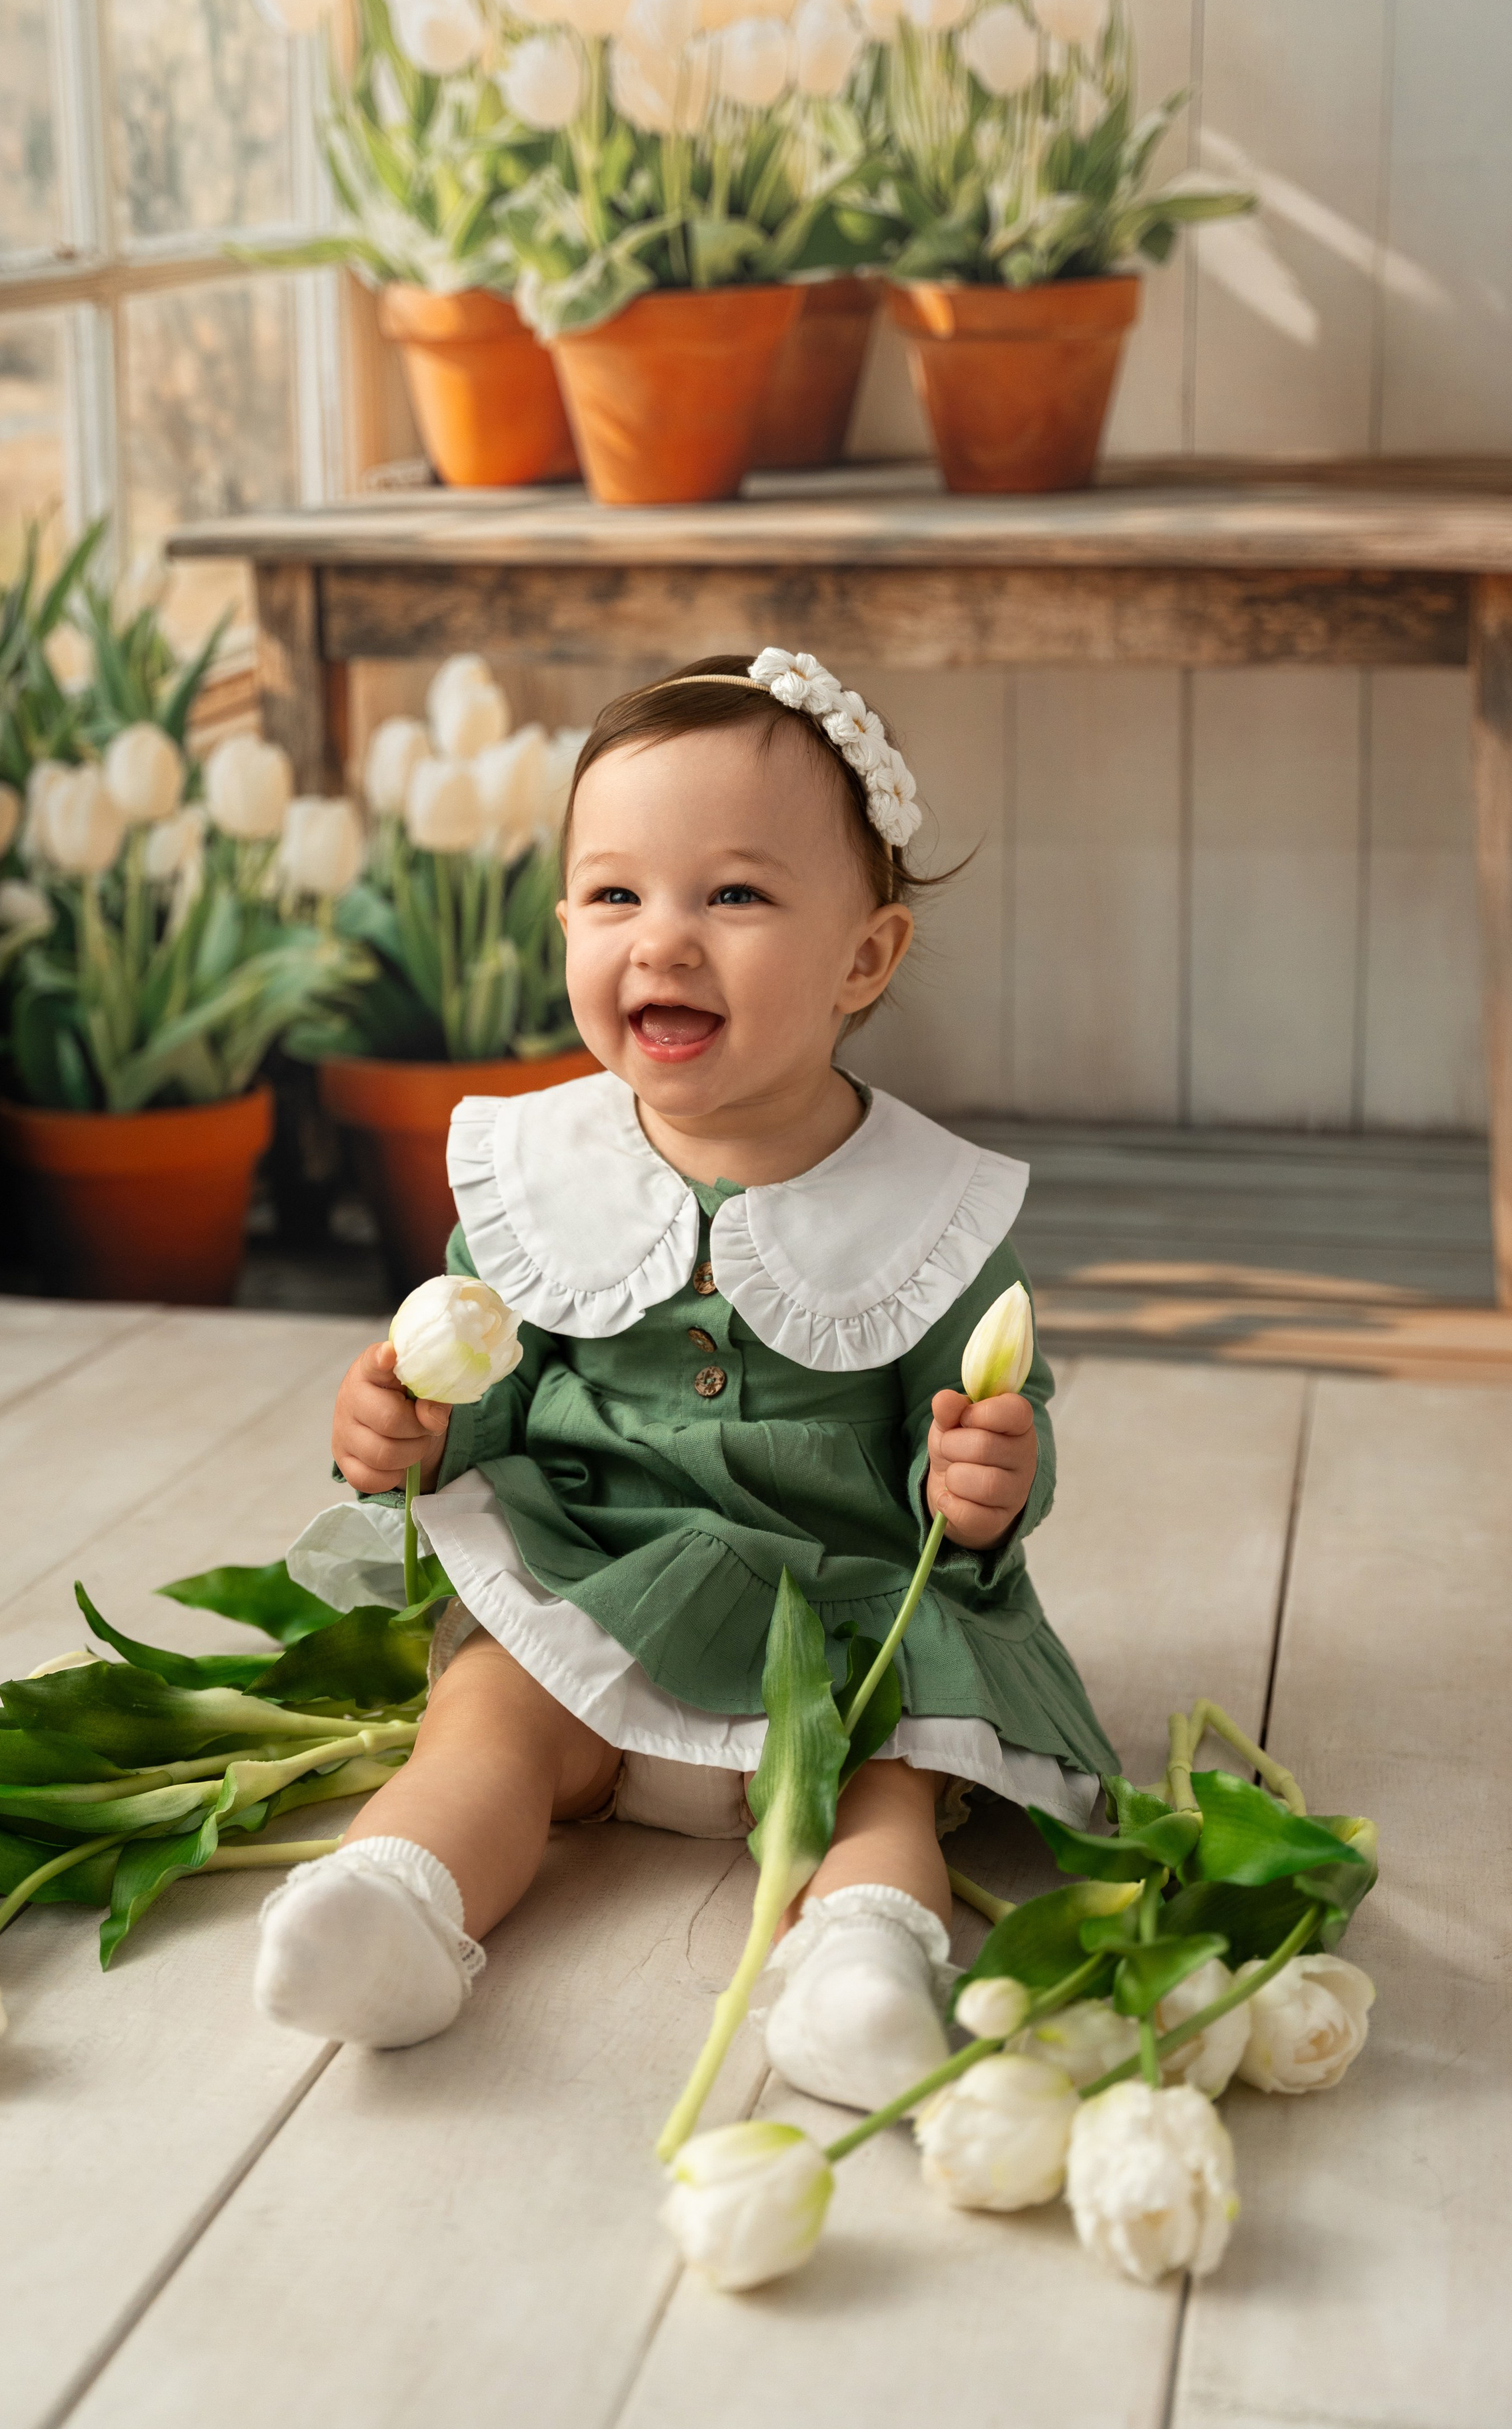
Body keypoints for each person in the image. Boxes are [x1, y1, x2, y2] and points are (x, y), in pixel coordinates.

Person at [257, 647, 1117, 2114]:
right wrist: (409, 1424)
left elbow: (964, 1440)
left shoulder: (925, 1215)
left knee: (883, 1779)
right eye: (614, 895)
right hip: (590, 1595)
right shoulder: (546, 1173)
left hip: (834, 1629)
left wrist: (978, 1486)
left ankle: (856, 1958)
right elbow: (490, 1387)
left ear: (864, 957)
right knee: (489, 1719)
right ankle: (395, 1901)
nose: (661, 941)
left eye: (731, 894)